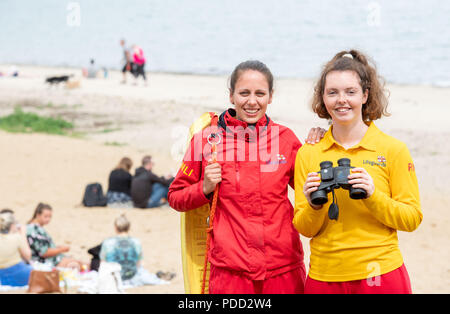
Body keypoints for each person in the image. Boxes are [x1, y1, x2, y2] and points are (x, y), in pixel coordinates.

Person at [168, 60, 325, 294]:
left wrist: (320, 147)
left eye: (260, 93)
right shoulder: (206, 140)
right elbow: (175, 197)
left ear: (271, 96)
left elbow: (312, 190)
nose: (252, 101)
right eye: (244, 93)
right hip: (231, 272)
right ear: (231, 96)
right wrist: (205, 187)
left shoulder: (285, 138)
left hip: (282, 268)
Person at [293, 50, 423, 294]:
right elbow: (304, 228)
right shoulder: (309, 153)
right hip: (324, 276)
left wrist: (373, 196)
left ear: (365, 95)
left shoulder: (393, 150)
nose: (341, 100)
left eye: (350, 92)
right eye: (333, 92)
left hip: (381, 274)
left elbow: (411, 218)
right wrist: (314, 205)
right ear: (323, 98)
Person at [26, 203, 87, 270]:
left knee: (81, 263)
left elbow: (43, 246)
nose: (48, 219)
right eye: (46, 216)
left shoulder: (36, 228)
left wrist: (57, 248)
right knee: (78, 264)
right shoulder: (33, 230)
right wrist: (61, 250)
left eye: (50, 217)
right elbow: (44, 253)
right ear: (38, 215)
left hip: (51, 259)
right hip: (45, 262)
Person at [100, 214, 143, 281]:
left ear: (115, 227)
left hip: (113, 276)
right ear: (129, 227)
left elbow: (103, 263)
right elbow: (139, 263)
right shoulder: (136, 242)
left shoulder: (108, 242)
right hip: (132, 275)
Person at [0, 211, 33, 286]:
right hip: (18, 271)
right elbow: (28, 256)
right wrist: (23, 234)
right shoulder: (16, 237)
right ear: (12, 225)